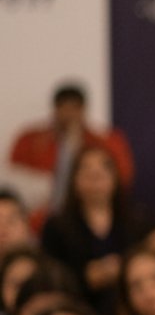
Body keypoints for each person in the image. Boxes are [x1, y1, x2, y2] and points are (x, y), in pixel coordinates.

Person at [41, 145, 147, 315]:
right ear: (74, 180)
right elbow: (51, 277)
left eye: (103, 170)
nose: (95, 176)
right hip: (76, 311)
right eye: (86, 170)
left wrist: (124, 270)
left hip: (130, 312)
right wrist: (86, 277)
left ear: (115, 177)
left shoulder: (137, 221)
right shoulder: (56, 226)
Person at [6, 83, 135, 223]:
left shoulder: (106, 142)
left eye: (74, 108)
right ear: (55, 109)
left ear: (83, 110)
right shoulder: (30, 140)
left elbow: (123, 178)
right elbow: (13, 183)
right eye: (63, 108)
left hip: (91, 215)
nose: (69, 115)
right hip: (39, 215)